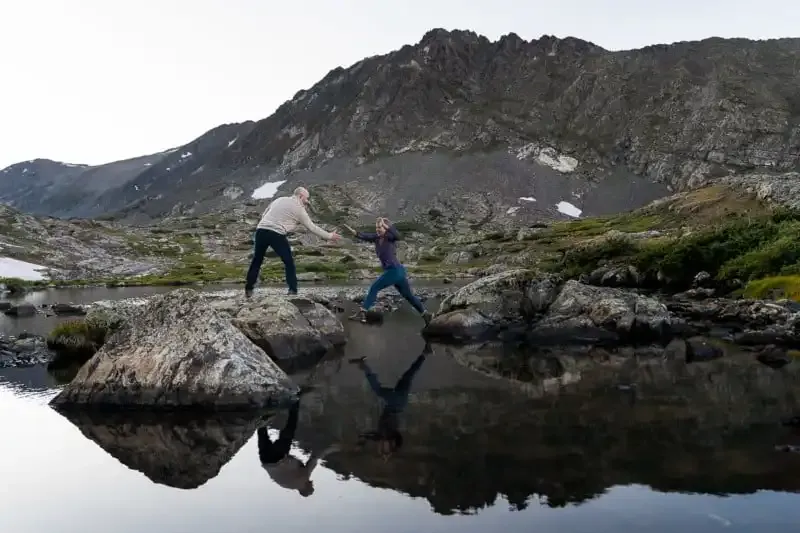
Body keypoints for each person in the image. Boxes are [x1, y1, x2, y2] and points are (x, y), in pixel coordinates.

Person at [245, 186, 340, 297]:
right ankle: (292, 290)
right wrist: (329, 236)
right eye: (306, 198)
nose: (307, 201)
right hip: (276, 233)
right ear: (300, 196)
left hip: (261, 230)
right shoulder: (299, 209)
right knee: (288, 262)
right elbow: (312, 228)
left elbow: (264, 214)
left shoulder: (279, 199)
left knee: (257, 260)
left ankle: (249, 288)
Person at [349, 342, 431, 460]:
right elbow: (397, 441)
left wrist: (360, 445)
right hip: (395, 403)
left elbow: (367, 435)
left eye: (381, 448)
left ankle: (425, 353)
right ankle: (364, 366)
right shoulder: (392, 435)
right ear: (391, 444)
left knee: (408, 375)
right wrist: (389, 452)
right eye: (385, 447)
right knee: (378, 389)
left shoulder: (380, 436)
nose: (382, 445)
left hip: (400, 402)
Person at [343, 217, 431, 325]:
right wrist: (355, 233)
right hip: (397, 272)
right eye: (377, 228)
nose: (378, 230)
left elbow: (398, 236)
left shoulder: (390, 237)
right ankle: (426, 314)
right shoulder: (376, 238)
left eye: (380, 227)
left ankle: (363, 312)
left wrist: (388, 227)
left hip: (394, 271)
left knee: (374, 287)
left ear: (385, 228)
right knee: (409, 296)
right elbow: (365, 236)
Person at [257, 397, 340, 497]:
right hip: (265, 460)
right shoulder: (287, 485)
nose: (311, 482)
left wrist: (335, 448)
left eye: (311, 484)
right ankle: (262, 404)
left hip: (279, 458)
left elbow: (315, 457)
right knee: (262, 431)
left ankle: (294, 402)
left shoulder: (304, 478)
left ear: (307, 487)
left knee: (289, 430)